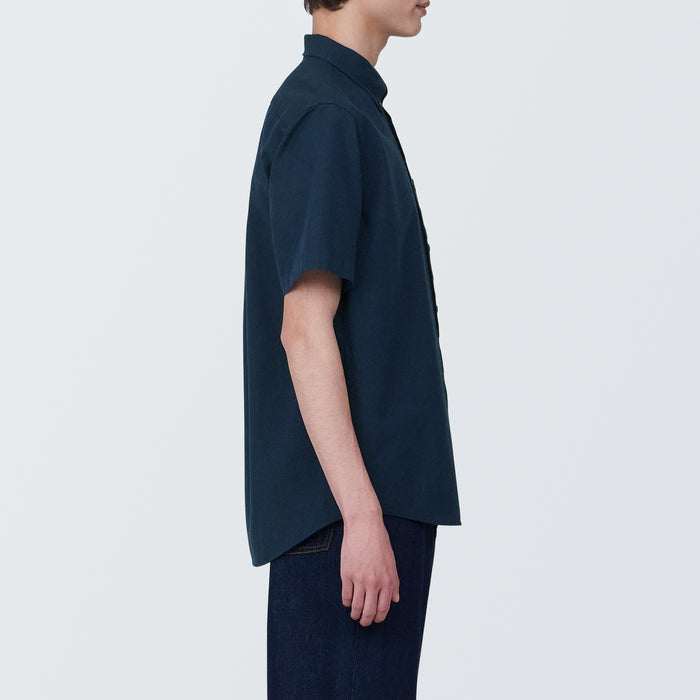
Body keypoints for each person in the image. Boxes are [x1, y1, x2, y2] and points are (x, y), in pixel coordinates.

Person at [242, 1, 461, 697]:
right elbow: (304, 328)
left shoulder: (349, 108)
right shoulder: (327, 115)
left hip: (359, 511)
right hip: (347, 517)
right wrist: (363, 515)